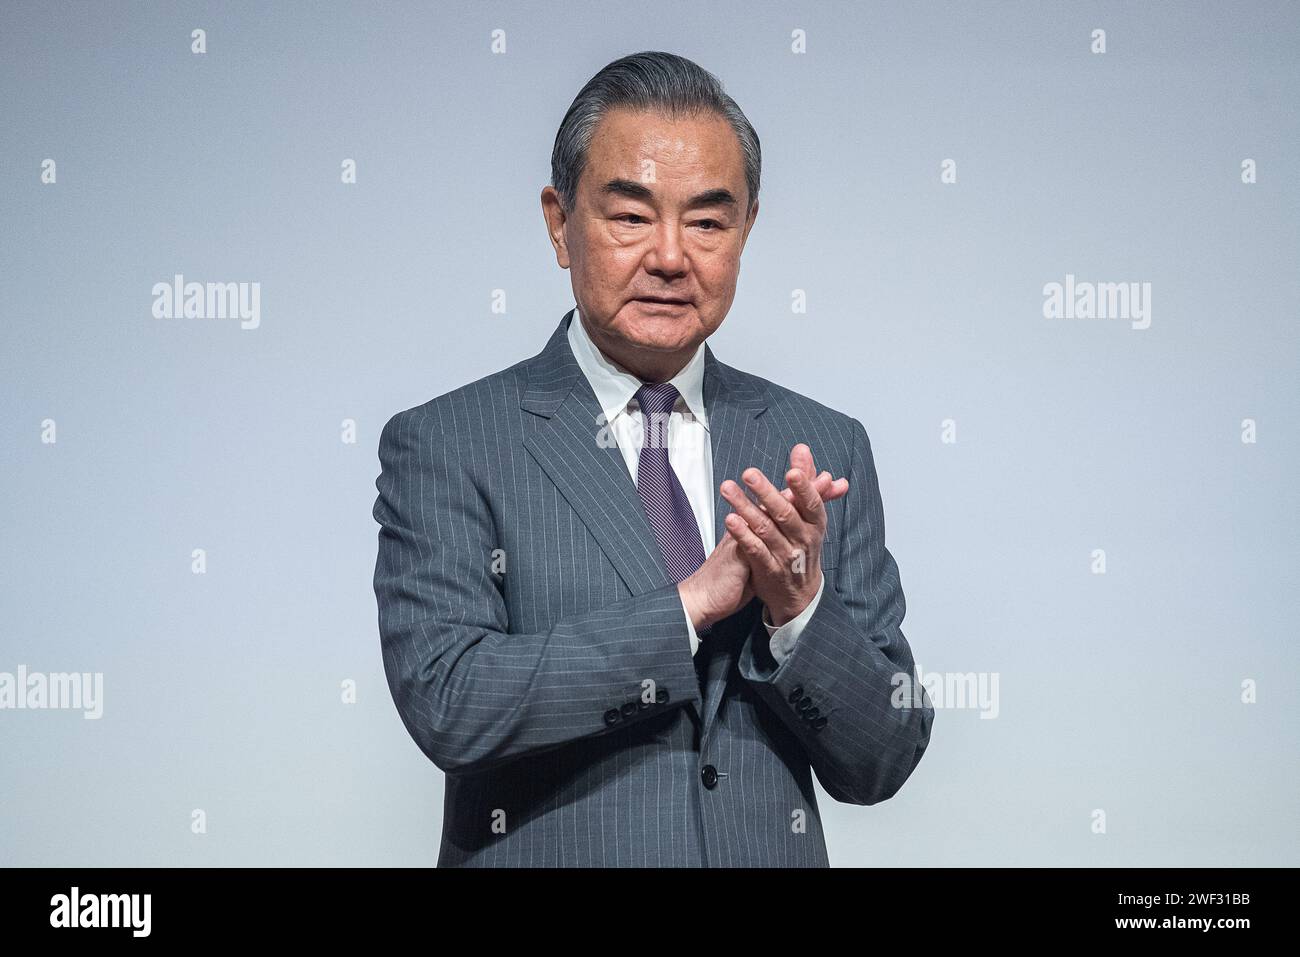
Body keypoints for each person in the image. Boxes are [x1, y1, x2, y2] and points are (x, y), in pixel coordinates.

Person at [372, 50, 933, 867]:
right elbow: (451, 701)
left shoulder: (821, 445)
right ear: (560, 223)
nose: (671, 256)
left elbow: (884, 754)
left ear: (746, 229)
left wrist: (799, 610)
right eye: (631, 216)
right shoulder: (452, 442)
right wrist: (692, 603)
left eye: (708, 221)